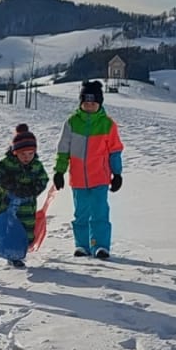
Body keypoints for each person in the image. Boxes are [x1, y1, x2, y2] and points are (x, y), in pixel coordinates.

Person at [52, 80, 124, 258]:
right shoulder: (71, 123)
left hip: (100, 176)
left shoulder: (107, 124)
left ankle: (100, 246)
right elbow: (63, 150)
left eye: (93, 103)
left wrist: (117, 173)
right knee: (81, 213)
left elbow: (115, 151)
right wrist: (59, 171)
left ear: (99, 103)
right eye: (86, 102)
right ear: (81, 103)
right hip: (78, 178)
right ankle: (82, 245)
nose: (89, 106)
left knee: (99, 211)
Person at [0, 122, 48, 268]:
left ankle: (15, 256)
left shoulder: (36, 166)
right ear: (15, 152)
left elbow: (43, 180)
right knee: (5, 228)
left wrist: (33, 190)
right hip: (6, 204)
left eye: (30, 154)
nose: (27, 157)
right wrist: (10, 185)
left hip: (26, 207)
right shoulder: (7, 163)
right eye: (23, 154)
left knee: (24, 231)